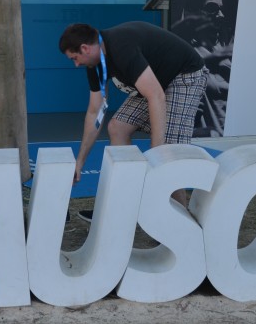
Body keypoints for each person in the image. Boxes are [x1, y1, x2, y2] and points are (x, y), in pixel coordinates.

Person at [59, 21, 209, 216]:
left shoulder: (122, 47)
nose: (76, 64)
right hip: (157, 82)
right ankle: (122, 206)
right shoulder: (94, 64)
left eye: (75, 58)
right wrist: (79, 162)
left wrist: (157, 151)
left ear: (85, 48)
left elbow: (156, 96)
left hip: (184, 75)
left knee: (168, 150)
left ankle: (177, 218)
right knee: (117, 127)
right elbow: (94, 111)